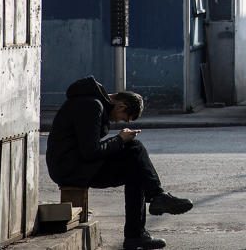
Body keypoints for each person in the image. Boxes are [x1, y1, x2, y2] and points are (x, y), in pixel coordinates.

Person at [46, 76, 193, 250]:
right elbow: (90, 152)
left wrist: (120, 140)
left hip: (75, 165)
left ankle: (137, 233)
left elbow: (88, 150)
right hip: (69, 169)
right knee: (135, 149)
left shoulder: (91, 103)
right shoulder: (91, 105)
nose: (118, 121)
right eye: (124, 117)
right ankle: (155, 202)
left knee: (136, 165)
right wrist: (120, 139)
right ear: (121, 105)